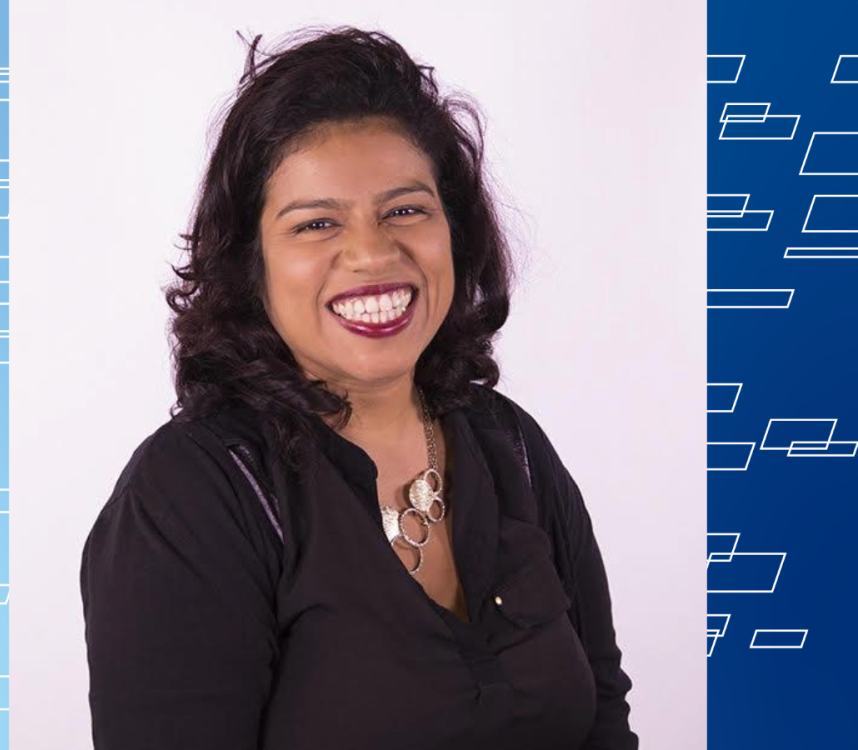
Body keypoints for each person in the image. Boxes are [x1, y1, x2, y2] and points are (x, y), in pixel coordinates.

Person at [80, 25, 637, 750]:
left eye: (406, 209)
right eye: (316, 223)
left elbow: (602, 720)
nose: (373, 253)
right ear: (251, 266)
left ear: (455, 234)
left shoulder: (512, 446)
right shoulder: (192, 496)